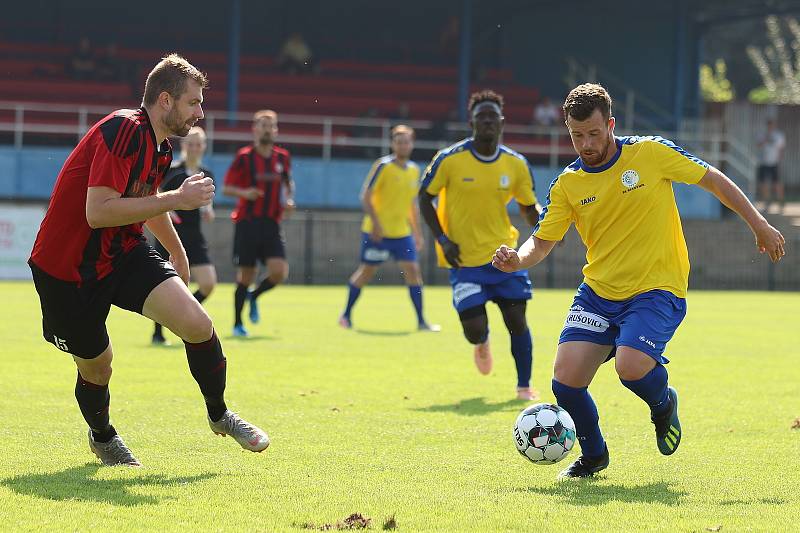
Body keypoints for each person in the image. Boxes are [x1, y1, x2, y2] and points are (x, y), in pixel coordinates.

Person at [492, 83, 786, 479]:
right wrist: (517, 260)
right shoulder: (568, 184)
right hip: (599, 293)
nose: (586, 144)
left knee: (630, 366)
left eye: (594, 134)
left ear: (610, 125)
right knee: (566, 381)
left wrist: (760, 224)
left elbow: (713, 179)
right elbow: (542, 242)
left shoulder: (649, 153)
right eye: (577, 136)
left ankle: (663, 404)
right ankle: (594, 456)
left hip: (657, 287)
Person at [28, 54, 270, 467]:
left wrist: (176, 248)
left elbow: (145, 200)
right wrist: (179, 198)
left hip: (121, 253)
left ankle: (219, 414)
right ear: (164, 100)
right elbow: (98, 212)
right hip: (67, 269)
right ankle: (103, 437)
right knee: (98, 366)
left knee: (197, 323)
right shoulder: (124, 129)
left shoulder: (160, 147)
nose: (200, 112)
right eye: (193, 102)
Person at [419, 90, 542, 401]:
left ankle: (524, 386)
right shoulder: (449, 159)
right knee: (474, 328)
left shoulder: (516, 164)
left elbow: (528, 207)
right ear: (471, 121)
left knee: (517, 322)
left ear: (501, 122)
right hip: (465, 262)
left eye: (492, 116)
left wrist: (542, 221)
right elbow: (424, 197)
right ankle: (482, 341)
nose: (487, 121)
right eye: (481, 116)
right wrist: (442, 239)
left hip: (505, 259)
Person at [339, 125, 439, 332]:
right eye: (399, 141)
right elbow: (366, 196)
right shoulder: (383, 166)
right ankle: (346, 315)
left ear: (412, 144)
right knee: (366, 272)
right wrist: (376, 224)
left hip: (402, 234)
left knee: (413, 272)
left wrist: (418, 233)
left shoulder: (414, 170)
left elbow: (412, 205)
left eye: (406, 141)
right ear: (392, 144)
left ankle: (421, 321)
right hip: (377, 233)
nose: (403, 145)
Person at [223, 109, 295, 337]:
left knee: (279, 272)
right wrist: (245, 192)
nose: (267, 129)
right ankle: (237, 323)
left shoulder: (282, 157)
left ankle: (254, 296)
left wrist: (289, 200)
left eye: (271, 125)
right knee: (246, 275)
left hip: (272, 224)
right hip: (248, 223)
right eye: (262, 125)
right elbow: (226, 188)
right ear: (254, 129)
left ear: (276, 130)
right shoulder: (244, 157)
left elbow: (287, 184)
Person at [151, 126, 217, 345]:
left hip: (194, 234)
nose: (195, 148)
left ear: (204, 147)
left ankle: (182, 315)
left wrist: (209, 210)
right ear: (183, 145)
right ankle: (158, 333)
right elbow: (154, 193)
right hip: (169, 233)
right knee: (165, 284)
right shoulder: (172, 170)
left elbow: (206, 201)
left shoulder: (206, 173)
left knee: (208, 283)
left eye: (199, 144)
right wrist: (168, 209)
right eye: (191, 143)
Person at [756, 118, 786, 212]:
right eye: (769, 125)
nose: (770, 127)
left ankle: (780, 204)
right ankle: (767, 204)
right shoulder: (762, 135)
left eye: (772, 125)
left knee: (777, 184)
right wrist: (766, 139)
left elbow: (781, 149)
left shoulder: (779, 135)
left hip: (774, 163)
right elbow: (758, 146)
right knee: (764, 184)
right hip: (764, 162)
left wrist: (779, 160)